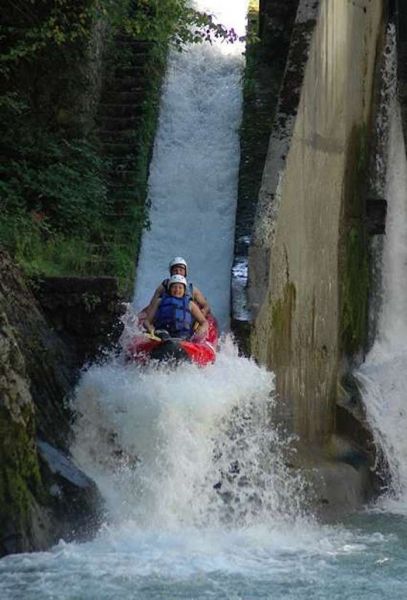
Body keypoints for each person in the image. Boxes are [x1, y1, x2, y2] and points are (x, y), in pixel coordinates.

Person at [144, 274, 208, 341]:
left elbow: (204, 322)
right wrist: (150, 328)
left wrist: (201, 330)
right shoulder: (159, 301)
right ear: (170, 289)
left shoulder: (190, 304)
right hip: (162, 333)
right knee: (163, 335)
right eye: (174, 287)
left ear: (184, 290)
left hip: (182, 336)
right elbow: (147, 321)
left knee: (181, 338)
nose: (177, 290)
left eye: (180, 288)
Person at [144, 257, 210, 317]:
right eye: (175, 270)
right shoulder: (163, 287)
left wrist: (203, 312)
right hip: (165, 316)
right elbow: (152, 304)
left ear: (185, 272)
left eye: (181, 270)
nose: (178, 272)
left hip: (186, 319)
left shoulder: (192, 289)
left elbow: (206, 305)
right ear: (171, 272)